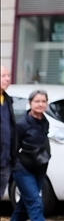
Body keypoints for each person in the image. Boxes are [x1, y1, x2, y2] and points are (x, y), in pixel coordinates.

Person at [11, 89, 49, 221]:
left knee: (23, 207)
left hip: (39, 168)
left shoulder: (45, 122)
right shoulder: (22, 124)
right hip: (23, 169)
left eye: (43, 101)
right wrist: (15, 165)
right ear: (30, 103)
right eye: (37, 101)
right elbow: (12, 147)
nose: (40, 104)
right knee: (35, 204)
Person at [1, 65, 16, 204]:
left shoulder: (8, 100)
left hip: (5, 160)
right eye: (3, 76)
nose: (7, 79)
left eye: (8, 76)